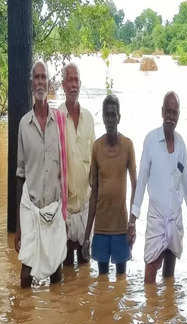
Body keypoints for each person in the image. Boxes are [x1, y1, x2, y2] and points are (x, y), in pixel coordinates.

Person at [130, 91, 187, 284]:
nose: (171, 117)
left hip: (175, 219)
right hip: (155, 219)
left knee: (169, 276)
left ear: (179, 115)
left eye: (175, 113)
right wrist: (133, 218)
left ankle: (168, 311)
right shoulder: (150, 140)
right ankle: (150, 311)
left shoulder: (181, 144)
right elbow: (142, 179)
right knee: (149, 276)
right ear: (162, 112)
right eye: (168, 112)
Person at [15, 60, 67, 287]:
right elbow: (20, 175)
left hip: (54, 208)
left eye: (43, 77)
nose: (40, 82)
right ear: (31, 84)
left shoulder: (60, 123)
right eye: (36, 78)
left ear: (49, 83)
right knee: (26, 275)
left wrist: (68, 211)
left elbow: (67, 169)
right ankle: (24, 321)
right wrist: (18, 226)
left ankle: (55, 321)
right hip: (31, 208)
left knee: (57, 273)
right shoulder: (23, 124)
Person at [83, 95, 137, 277]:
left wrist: (132, 222)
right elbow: (94, 192)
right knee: (102, 282)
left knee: (121, 280)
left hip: (121, 227)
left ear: (119, 117)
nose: (111, 119)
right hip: (101, 227)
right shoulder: (97, 147)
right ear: (103, 118)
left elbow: (135, 186)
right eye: (107, 115)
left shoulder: (128, 146)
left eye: (114, 115)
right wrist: (86, 236)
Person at [58, 63, 95, 267]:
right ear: (63, 85)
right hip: (65, 208)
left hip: (86, 207)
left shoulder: (89, 118)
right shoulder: (56, 118)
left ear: (80, 84)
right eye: (69, 80)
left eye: (76, 80)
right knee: (66, 266)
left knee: (84, 264)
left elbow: (95, 160)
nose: (73, 85)